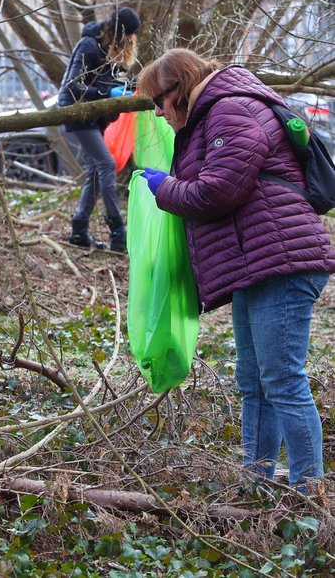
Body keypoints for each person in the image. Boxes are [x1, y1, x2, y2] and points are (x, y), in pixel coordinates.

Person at [137, 48, 335, 491]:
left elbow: (217, 192)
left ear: (179, 90)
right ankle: (256, 482)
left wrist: (163, 187)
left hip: (281, 263)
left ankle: (310, 491)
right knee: (255, 382)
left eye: (158, 101)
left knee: (282, 381)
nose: (156, 111)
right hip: (258, 264)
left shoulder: (230, 110)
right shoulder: (216, 111)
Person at [57, 6, 141, 252]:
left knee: (95, 170)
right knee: (106, 163)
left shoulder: (112, 53)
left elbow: (109, 82)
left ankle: (79, 231)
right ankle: (118, 232)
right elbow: (71, 87)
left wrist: (127, 87)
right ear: (116, 32)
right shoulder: (89, 46)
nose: (130, 41)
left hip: (95, 118)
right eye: (127, 36)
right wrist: (107, 93)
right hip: (77, 113)